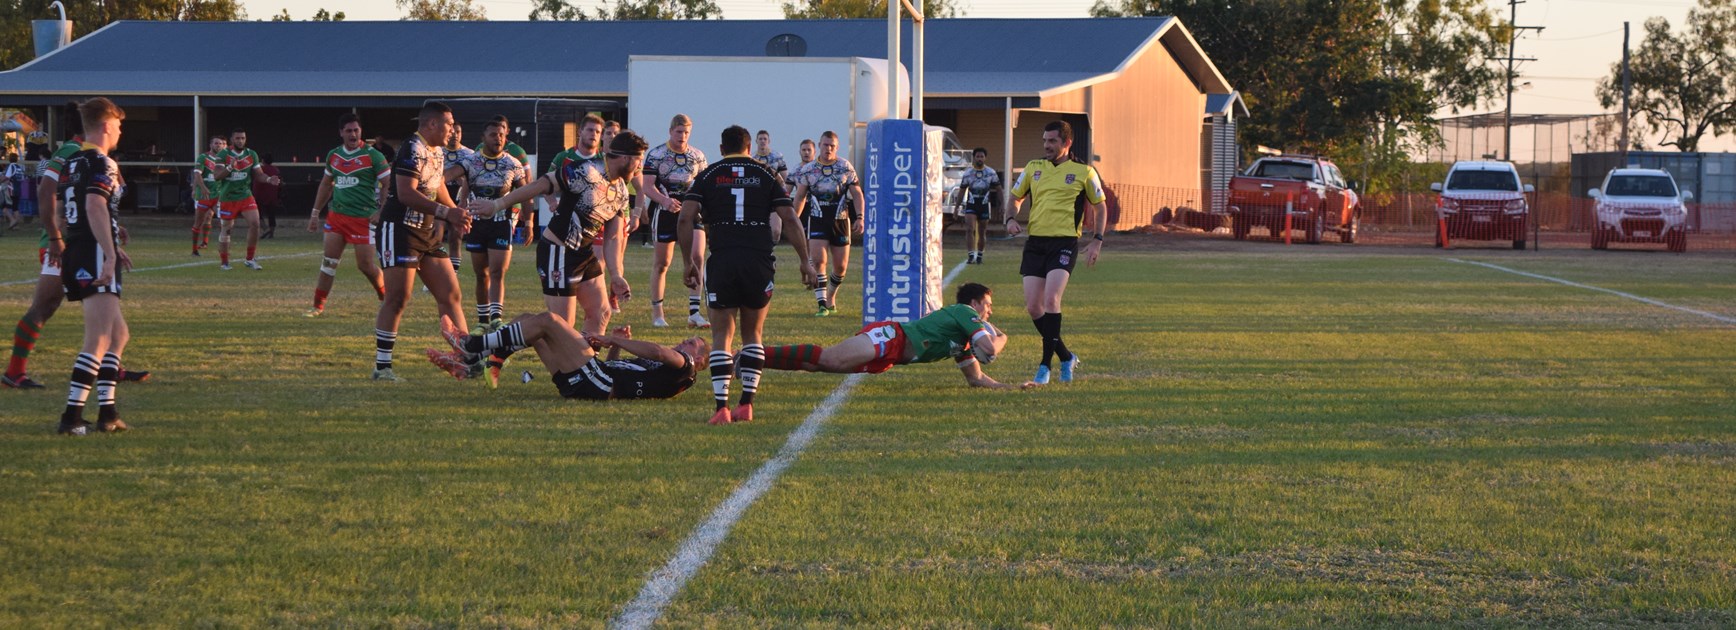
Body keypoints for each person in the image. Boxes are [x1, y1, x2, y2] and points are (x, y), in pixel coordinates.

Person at [460, 129, 645, 386]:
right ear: (625, 158)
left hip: (583, 253)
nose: (641, 166)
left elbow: (613, 238)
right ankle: (487, 350)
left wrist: (617, 276)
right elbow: (539, 185)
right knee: (561, 328)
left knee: (601, 311)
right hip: (558, 251)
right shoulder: (585, 171)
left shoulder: (622, 190)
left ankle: (583, 368)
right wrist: (497, 205)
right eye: (639, 160)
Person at [677, 124, 816, 425]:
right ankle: (746, 405)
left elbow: (686, 216)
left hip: (724, 258)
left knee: (721, 336)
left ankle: (720, 409)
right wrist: (806, 261)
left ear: (722, 149)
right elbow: (789, 217)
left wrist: (689, 261)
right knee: (753, 335)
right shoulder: (766, 174)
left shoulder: (708, 174)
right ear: (750, 148)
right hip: (758, 260)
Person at [5, 105, 149, 390]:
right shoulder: (71, 151)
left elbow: (90, 200)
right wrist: (56, 237)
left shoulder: (92, 153)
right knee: (45, 305)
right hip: (66, 244)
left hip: (85, 241)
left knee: (106, 308)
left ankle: (110, 366)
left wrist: (110, 228)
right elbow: (47, 191)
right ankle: (14, 371)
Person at [368, 101, 479, 382]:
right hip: (400, 230)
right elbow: (405, 193)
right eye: (449, 123)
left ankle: (465, 358)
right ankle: (382, 367)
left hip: (426, 232)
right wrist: (446, 212)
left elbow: (437, 184)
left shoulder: (437, 151)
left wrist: (455, 210)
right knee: (397, 298)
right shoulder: (411, 148)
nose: (453, 130)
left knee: (451, 294)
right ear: (431, 124)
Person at [761, 282, 1030, 390]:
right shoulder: (963, 311)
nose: (990, 310)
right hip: (891, 337)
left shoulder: (963, 341)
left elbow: (977, 379)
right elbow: (991, 349)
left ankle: (755, 361)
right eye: (988, 304)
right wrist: (1002, 336)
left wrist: (1012, 387)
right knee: (829, 359)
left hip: (892, 356)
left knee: (816, 365)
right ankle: (749, 355)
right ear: (974, 303)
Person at [54, 97, 133, 435]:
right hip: (93, 253)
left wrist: (111, 238)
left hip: (78, 247)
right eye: (117, 124)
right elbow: (94, 206)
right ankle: (71, 418)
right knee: (99, 337)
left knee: (118, 334)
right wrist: (109, 251)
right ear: (104, 125)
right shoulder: (104, 163)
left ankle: (108, 414)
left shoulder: (71, 163)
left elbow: (61, 213)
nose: (119, 131)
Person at [1005, 120, 1107, 385]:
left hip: (1064, 243)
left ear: (1067, 143)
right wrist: (1010, 218)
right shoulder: (1033, 168)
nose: (1047, 146)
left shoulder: (1084, 172)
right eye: (1045, 141)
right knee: (1033, 307)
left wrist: (1097, 240)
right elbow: (1015, 197)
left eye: (1052, 141)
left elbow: (1100, 207)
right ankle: (1066, 355)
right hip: (1036, 244)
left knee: (1051, 301)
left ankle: (1044, 367)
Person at [430, 315, 707, 401]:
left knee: (549, 321)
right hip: (595, 379)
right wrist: (614, 344)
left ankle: (471, 345)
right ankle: (470, 363)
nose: (685, 341)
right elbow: (618, 369)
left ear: (701, 360)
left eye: (692, 343)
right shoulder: (668, 372)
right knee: (532, 324)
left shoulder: (687, 367)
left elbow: (658, 351)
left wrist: (615, 339)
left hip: (597, 384)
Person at [304, 113, 390, 317]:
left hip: (363, 217)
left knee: (366, 265)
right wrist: (315, 213)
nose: (353, 134)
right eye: (349, 131)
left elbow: (388, 183)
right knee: (329, 262)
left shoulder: (373, 155)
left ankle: (385, 297)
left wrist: (381, 211)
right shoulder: (333, 155)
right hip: (337, 216)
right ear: (341, 132)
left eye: (356, 130)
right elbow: (326, 184)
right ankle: (317, 306)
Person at [447, 117, 527, 332]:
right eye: (493, 135)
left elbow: (526, 193)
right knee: (481, 274)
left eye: (501, 135)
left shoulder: (512, 163)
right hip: (477, 225)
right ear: (483, 138)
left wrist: (529, 222)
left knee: (497, 272)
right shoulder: (471, 161)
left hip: (501, 224)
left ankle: (496, 317)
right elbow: (448, 176)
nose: (498, 138)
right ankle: (482, 320)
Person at [640, 114, 710, 329]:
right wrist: (665, 201)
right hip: (665, 213)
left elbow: (704, 186)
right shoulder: (657, 155)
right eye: (679, 132)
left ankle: (694, 312)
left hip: (690, 212)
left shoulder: (697, 156)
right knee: (662, 263)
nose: (682, 136)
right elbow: (647, 186)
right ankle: (658, 313)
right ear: (671, 131)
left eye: (686, 132)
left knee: (698, 257)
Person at [788, 130, 864, 317]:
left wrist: (860, 217)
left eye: (832, 146)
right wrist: (794, 220)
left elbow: (857, 194)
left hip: (840, 221)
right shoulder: (809, 170)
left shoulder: (845, 167)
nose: (828, 149)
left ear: (837, 147)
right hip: (818, 220)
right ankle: (822, 304)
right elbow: (800, 197)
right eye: (825, 145)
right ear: (819, 145)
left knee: (840, 267)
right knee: (819, 261)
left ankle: (831, 295)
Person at [210, 127, 281, 270]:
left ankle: (250, 259)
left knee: (255, 223)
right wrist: (230, 168)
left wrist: (268, 179)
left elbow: (258, 174)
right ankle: (224, 262)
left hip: (245, 195)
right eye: (237, 138)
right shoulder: (224, 154)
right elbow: (217, 176)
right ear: (231, 140)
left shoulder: (251, 154)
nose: (240, 141)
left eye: (243, 138)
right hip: (228, 197)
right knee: (227, 229)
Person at [952, 148, 1002, 265]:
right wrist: (956, 207)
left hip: (984, 205)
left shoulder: (991, 173)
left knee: (982, 231)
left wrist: (1002, 205)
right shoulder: (968, 173)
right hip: (971, 204)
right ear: (974, 157)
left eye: (982, 156)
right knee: (969, 229)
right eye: (977, 156)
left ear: (985, 158)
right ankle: (970, 255)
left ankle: (979, 255)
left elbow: (999, 190)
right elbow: (962, 191)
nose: (980, 159)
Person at [440, 122, 476, 277]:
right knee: (436, 234)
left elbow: (473, 179)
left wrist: (465, 185)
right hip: (439, 195)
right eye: (452, 131)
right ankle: (437, 274)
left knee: (456, 237)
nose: (454, 135)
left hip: (460, 196)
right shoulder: (438, 151)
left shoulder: (470, 154)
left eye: (458, 132)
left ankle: (452, 274)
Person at [189, 135, 226, 256]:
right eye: (216, 143)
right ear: (211, 145)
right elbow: (197, 175)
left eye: (220, 143)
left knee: (224, 221)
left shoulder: (224, 159)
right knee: (198, 222)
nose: (218, 145)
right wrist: (201, 188)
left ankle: (222, 247)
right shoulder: (203, 157)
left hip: (218, 195)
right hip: (204, 196)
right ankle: (194, 249)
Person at [752, 130, 790, 244]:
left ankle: (771, 251)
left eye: (765, 139)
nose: (762, 141)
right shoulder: (752, 157)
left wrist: (784, 194)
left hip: (773, 196)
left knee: (776, 231)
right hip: (758, 197)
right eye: (760, 139)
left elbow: (784, 178)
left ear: (769, 141)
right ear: (756, 141)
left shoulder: (777, 157)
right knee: (758, 228)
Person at [256, 153, 282, 239]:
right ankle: (271, 234)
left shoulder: (261, 170)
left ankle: (265, 228)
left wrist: (254, 194)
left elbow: (257, 183)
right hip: (273, 195)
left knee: (257, 214)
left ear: (262, 160)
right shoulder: (276, 170)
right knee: (271, 215)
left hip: (261, 195)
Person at [2, 154, 22, 230]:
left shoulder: (11, 166)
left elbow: (7, 177)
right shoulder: (19, 167)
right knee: (15, 207)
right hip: (18, 189)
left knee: (4, 207)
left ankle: (12, 220)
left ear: (9, 159)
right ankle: (16, 225)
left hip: (11, 189)